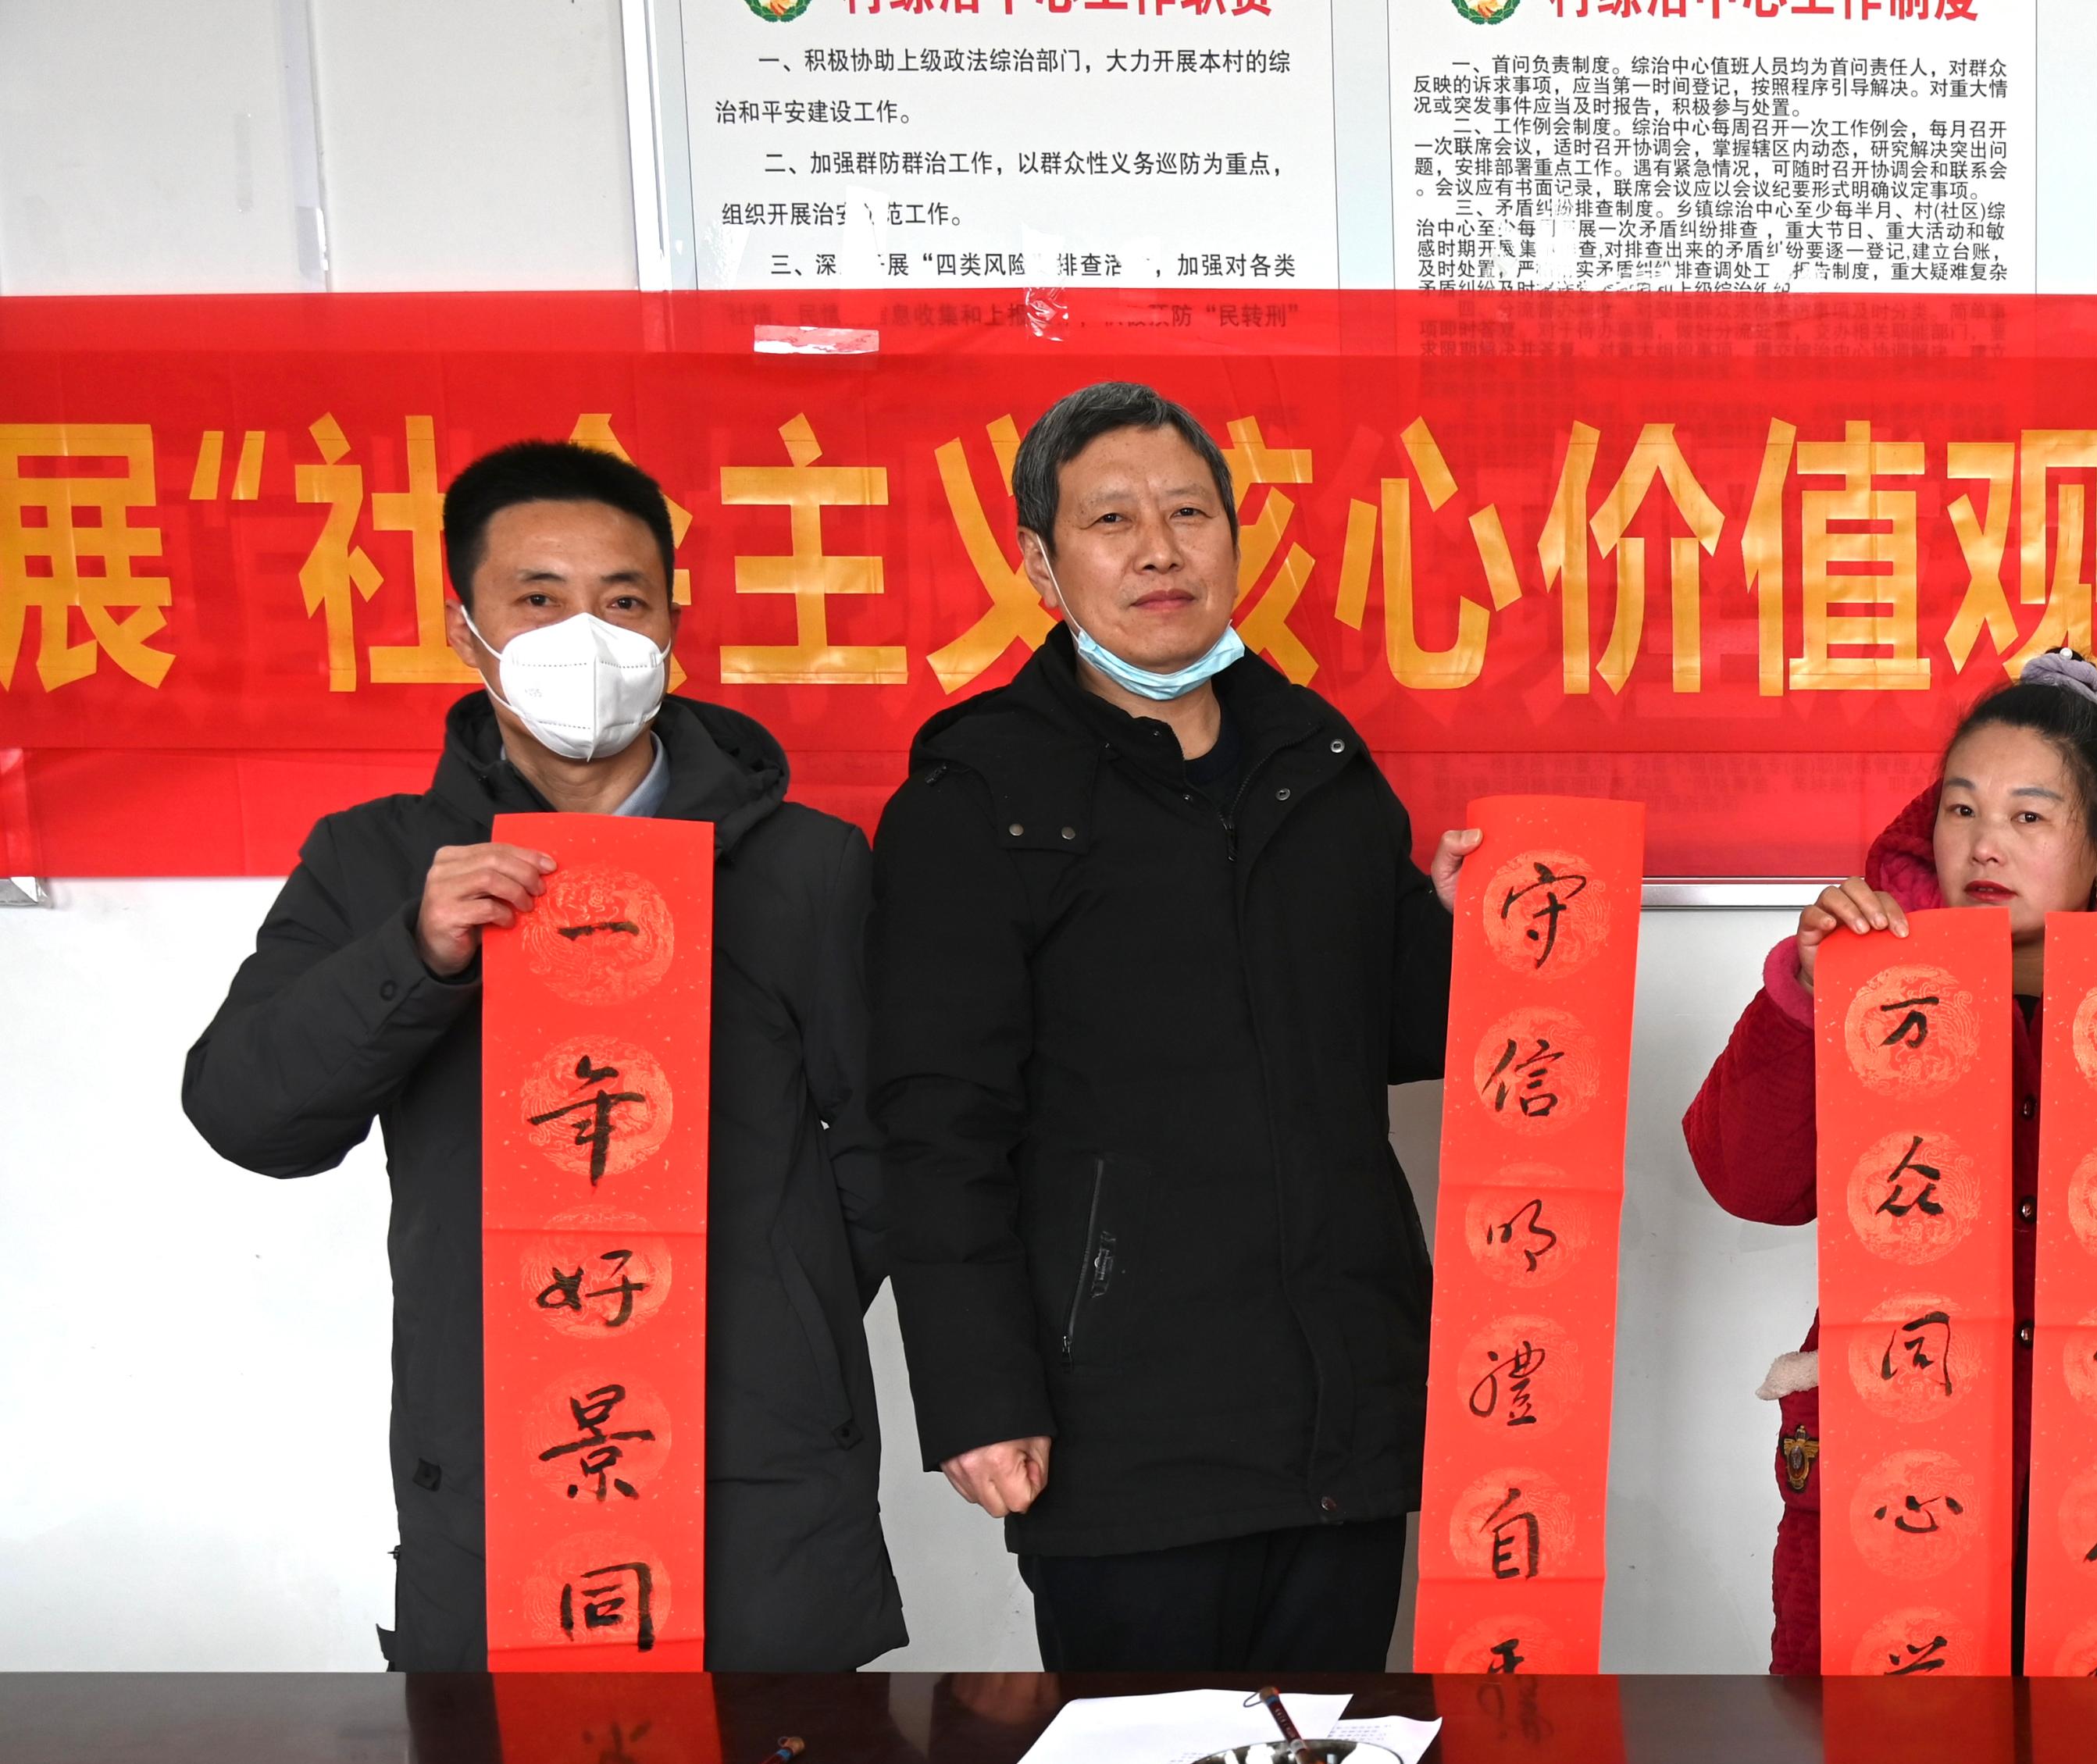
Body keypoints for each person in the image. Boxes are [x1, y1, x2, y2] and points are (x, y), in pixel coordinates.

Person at [184, 440, 903, 1669]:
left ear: (672, 627)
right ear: (464, 630)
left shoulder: (806, 865)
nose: (588, 636)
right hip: (498, 1469)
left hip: (758, 1470)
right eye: (539, 599)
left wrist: (782, 1306)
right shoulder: (375, 861)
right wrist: (415, 953)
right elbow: (246, 1110)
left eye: (624, 601)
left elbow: (892, 1138)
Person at [869, 383, 1474, 1677]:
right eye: (1113, 519)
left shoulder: (1317, 761)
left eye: (1189, 513)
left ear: (1234, 543)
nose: (1159, 549)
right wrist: (978, 1391)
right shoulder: (980, 794)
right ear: (1042, 565)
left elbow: (1392, 1031)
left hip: (1340, 1414)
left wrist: (1465, 926)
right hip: (1120, 1422)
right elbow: (935, 1122)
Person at [1682, 650, 2097, 1673]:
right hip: (1900, 1481)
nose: (1985, 844)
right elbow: (1747, 1181)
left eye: (2029, 816)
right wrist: (1807, 996)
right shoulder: (1874, 983)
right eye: (1961, 810)